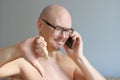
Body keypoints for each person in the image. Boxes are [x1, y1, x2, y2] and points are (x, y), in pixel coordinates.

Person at [0, 4, 106, 80]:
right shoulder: (22, 62)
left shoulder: (71, 64)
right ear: (40, 25)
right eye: (59, 28)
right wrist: (15, 49)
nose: (64, 36)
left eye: (67, 30)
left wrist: (79, 57)